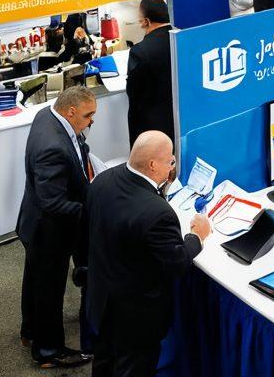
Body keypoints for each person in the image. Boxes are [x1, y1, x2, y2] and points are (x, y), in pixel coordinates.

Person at [85, 132, 211, 377]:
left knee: (104, 362)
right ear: (153, 165)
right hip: (136, 319)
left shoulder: (102, 180)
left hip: (102, 300)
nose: (173, 165)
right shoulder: (157, 213)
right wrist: (197, 236)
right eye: (170, 161)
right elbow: (177, 264)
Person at [19, 87, 98, 368]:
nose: (91, 122)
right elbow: (53, 203)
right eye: (88, 116)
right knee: (49, 291)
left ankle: (30, 331)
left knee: (35, 282)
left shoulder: (47, 114)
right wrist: (92, 210)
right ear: (71, 111)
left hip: (34, 222)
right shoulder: (52, 146)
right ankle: (49, 351)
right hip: (48, 231)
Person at [126, 0, 175, 144]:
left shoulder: (140, 51)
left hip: (152, 129)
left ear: (146, 21)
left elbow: (134, 95)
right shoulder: (182, 39)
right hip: (181, 119)